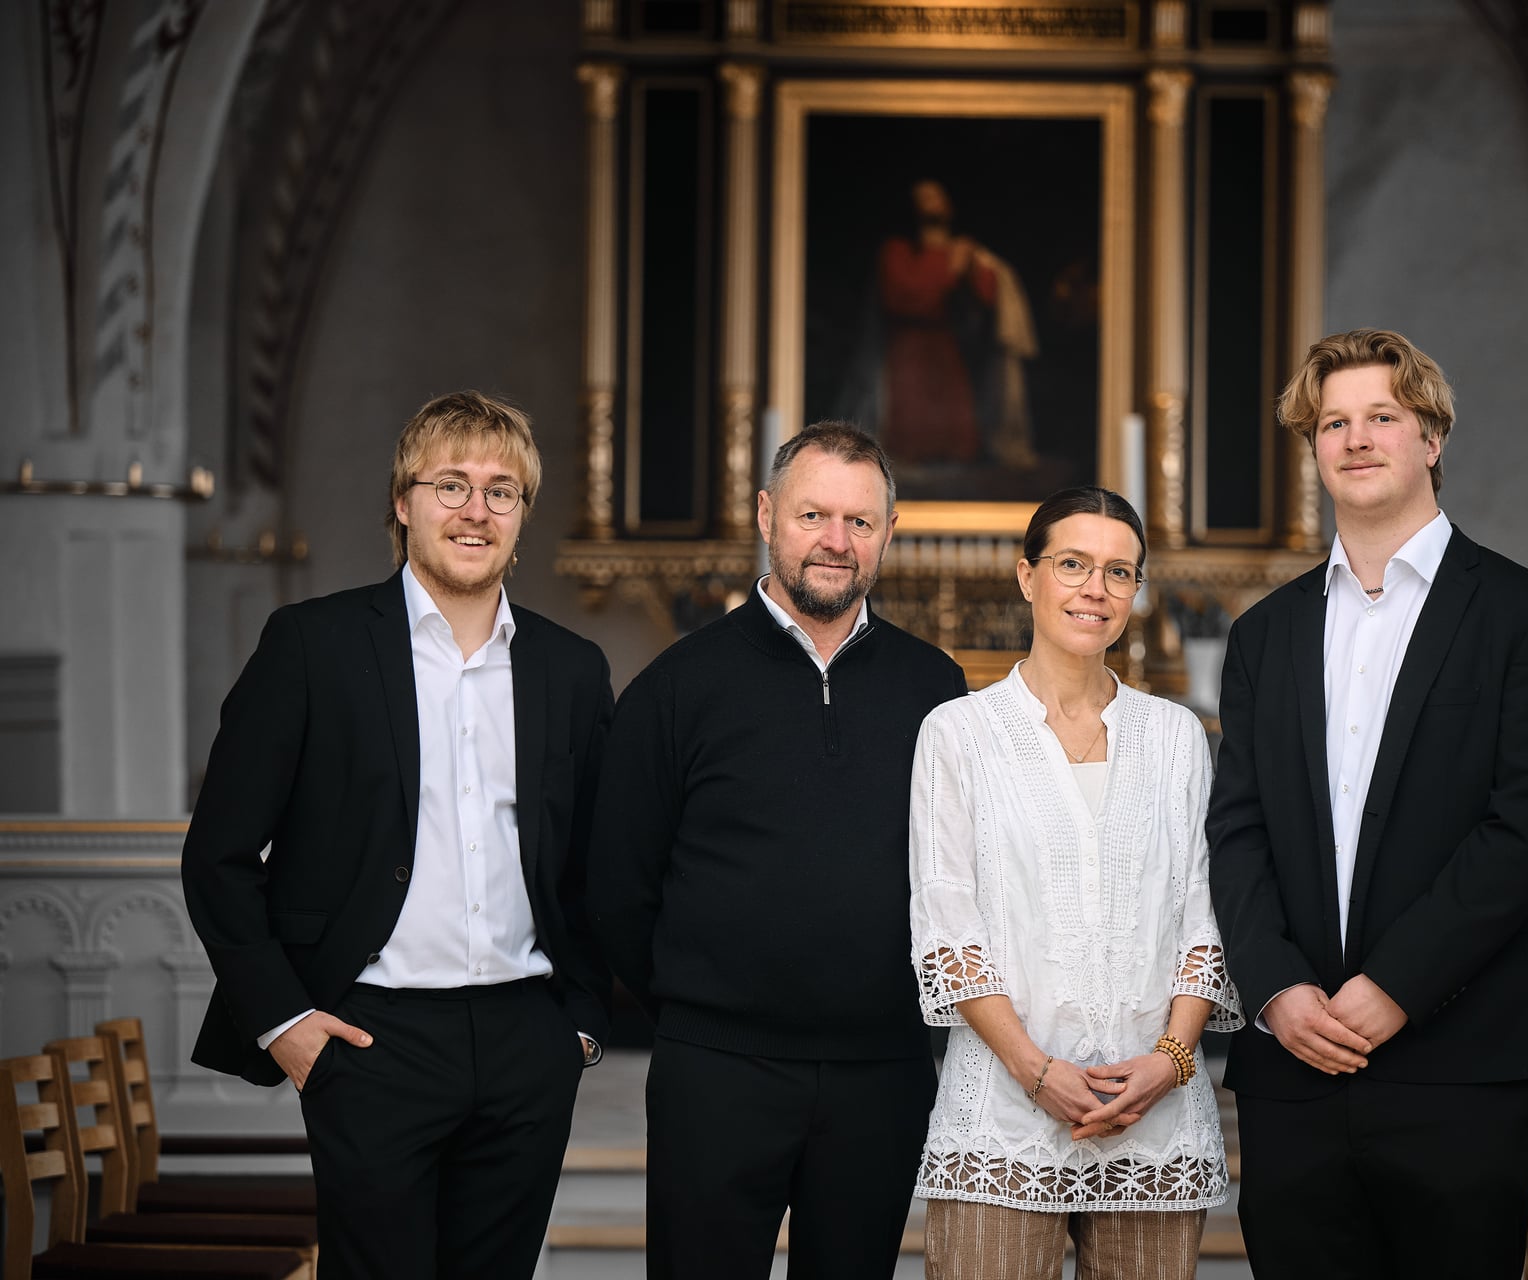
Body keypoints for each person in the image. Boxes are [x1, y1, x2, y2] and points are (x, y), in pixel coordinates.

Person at [182, 391, 615, 1279]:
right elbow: (218, 857)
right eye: (450, 484)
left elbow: (593, 864)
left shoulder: (570, 670)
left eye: (502, 491)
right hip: (368, 1039)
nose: (475, 510)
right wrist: (288, 1024)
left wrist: (577, 1025)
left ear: (523, 515)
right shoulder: (312, 645)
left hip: (526, 1040)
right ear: (403, 502)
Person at [1207, 329, 1528, 1278]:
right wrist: (1275, 990)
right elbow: (1238, 829)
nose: (1356, 437)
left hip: (1462, 1053)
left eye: (1383, 415)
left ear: (1432, 438)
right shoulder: (1264, 635)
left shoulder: (1527, 617)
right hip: (1293, 1061)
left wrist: (1397, 989)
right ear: (1314, 451)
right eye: (1333, 422)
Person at [588, 421, 969, 1280]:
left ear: (888, 534)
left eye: (860, 522)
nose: (836, 541)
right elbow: (618, 882)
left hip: (882, 1069)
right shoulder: (678, 687)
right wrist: (703, 1008)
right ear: (767, 515)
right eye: (813, 515)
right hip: (718, 1072)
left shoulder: (936, 689)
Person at [909, 485, 1243, 1279]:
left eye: (1119, 572)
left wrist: (1170, 1058)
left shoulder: (1176, 737)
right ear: (1028, 577)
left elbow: (1205, 914)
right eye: (1073, 564)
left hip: (1155, 1118)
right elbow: (948, 924)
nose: (1096, 589)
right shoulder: (958, 734)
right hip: (1003, 1116)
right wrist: (1037, 1071)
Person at [877, 179, 1038, 468]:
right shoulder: (898, 250)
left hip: (947, 346)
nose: (931, 204)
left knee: (955, 435)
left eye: (936, 197)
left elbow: (987, 296)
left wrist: (976, 271)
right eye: (924, 198)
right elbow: (903, 296)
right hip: (909, 349)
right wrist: (951, 270)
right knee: (910, 432)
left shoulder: (965, 249)